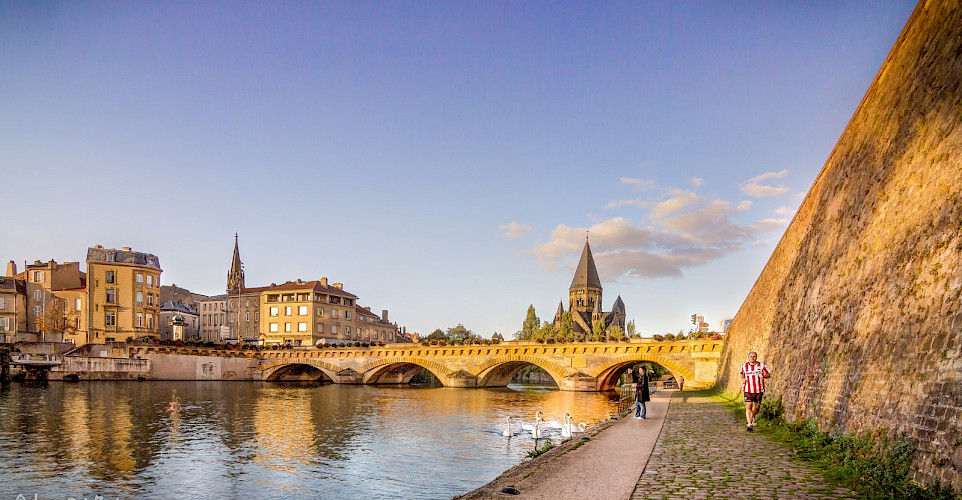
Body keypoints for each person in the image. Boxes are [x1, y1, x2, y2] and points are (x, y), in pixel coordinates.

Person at [740, 351, 771, 432]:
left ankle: (752, 417)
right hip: (748, 389)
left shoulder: (761, 365)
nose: (752, 358)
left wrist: (763, 376)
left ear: (756, 357)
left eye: (754, 356)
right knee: (748, 407)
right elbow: (742, 373)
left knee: (756, 408)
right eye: (751, 356)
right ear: (748, 357)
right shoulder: (744, 366)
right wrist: (743, 379)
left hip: (758, 390)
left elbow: (769, 374)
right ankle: (749, 424)